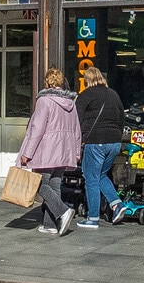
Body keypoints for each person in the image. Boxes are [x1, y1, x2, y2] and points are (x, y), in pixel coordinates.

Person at [16, 68, 82, 236]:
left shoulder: (44, 101)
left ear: (47, 82)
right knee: (55, 185)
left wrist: (27, 153)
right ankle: (50, 224)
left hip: (47, 150)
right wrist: (75, 152)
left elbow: (37, 128)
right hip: (64, 151)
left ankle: (63, 211)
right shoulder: (71, 103)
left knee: (40, 184)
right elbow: (77, 130)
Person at [74, 65, 126, 228]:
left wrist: (79, 138)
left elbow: (76, 119)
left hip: (96, 141)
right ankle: (117, 205)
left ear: (87, 80)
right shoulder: (114, 94)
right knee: (102, 175)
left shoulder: (86, 95)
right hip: (115, 142)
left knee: (91, 179)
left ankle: (93, 217)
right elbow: (122, 118)